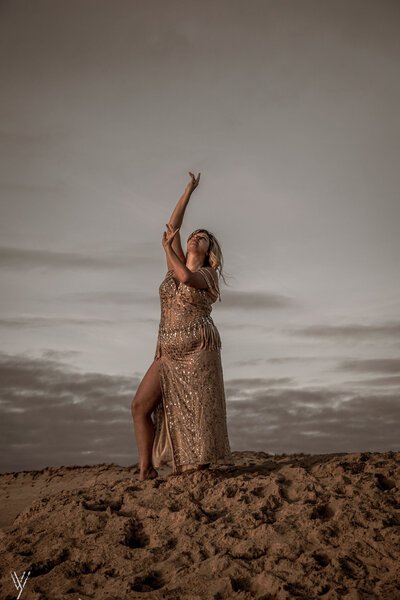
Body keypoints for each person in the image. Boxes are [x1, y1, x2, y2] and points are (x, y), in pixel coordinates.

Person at [131, 172, 233, 480]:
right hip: (168, 351)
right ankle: (146, 468)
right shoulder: (173, 269)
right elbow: (172, 227)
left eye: (203, 238)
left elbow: (188, 278)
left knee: (197, 413)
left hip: (197, 351)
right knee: (139, 406)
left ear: (208, 251)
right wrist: (189, 189)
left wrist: (166, 250)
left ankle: (196, 468)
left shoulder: (207, 275)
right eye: (194, 234)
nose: (195, 237)